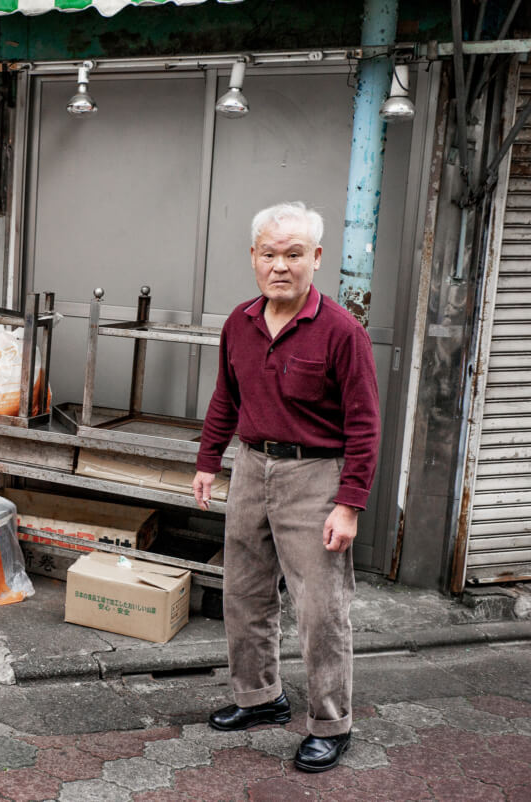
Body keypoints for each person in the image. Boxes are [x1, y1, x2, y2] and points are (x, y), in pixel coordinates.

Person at [191, 201, 380, 773]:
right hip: (251, 467)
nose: (281, 265)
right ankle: (260, 698)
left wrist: (348, 505)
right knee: (244, 594)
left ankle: (331, 723)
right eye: (269, 254)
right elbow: (227, 396)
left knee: (321, 609)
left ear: (315, 258)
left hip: (314, 476)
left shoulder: (343, 332)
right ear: (253, 257)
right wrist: (208, 460)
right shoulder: (239, 322)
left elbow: (365, 425)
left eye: (294, 254)